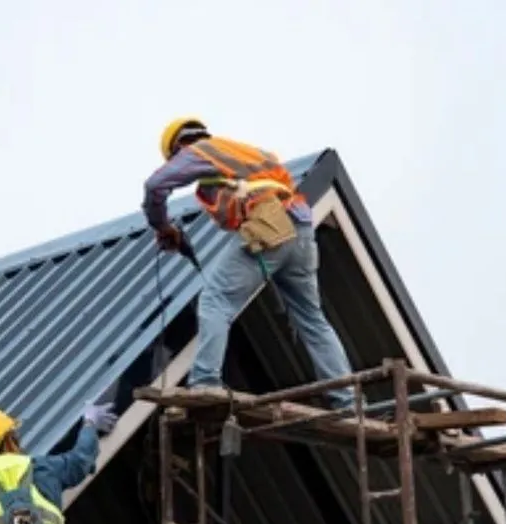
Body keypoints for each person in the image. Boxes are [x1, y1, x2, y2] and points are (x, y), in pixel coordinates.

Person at [142, 117, 363, 410]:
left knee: (215, 300)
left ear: (179, 147)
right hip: (300, 231)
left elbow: (155, 185)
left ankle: (205, 381)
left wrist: (162, 227)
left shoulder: (202, 151)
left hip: (268, 225)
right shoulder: (246, 153)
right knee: (312, 319)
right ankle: (346, 402)